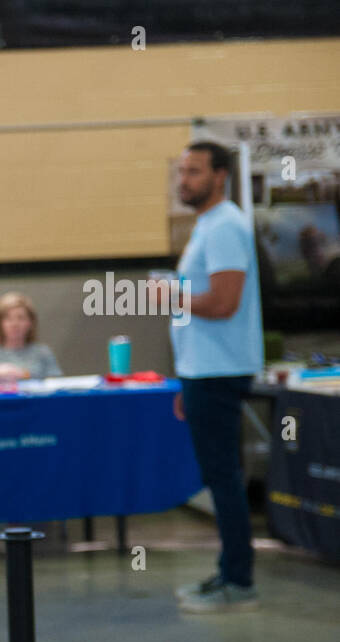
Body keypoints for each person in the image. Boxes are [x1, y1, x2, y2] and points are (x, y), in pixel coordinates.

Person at [169, 141, 264, 613]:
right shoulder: (208, 226)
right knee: (219, 476)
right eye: (181, 171)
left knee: (223, 478)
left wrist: (169, 296)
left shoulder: (225, 226)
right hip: (203, 372)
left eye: (194, 171)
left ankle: (238, 581)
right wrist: (186, 378)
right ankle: (230, 572)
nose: (183, 180)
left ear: (220, 175)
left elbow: (224, 303)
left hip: (219, 372)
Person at [0, 292, 62, 383]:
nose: (15, 324)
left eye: (21, 318)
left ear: (30, 322)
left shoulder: (43, 352)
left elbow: (56, 382)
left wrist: (23, 374)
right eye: (8, 318)